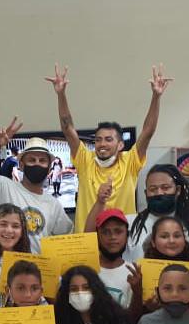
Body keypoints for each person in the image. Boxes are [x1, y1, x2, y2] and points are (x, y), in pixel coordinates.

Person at [46, 63, 172, 230]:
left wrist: (156, 97)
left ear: (120, 144)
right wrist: (61, 95)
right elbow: (68, 129)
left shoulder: (130, 162)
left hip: (122, 241)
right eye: (98, 140)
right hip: (88, 242)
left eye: (108, 139)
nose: (102, 144)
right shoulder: (85, 161)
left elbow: (148, 131)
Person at [86, 164, 189, 267]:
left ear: (178, 191)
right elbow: (90, 242)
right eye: (153, 189)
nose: (159, 193)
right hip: (141, 305)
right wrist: (100, 202)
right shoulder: (130, 222)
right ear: (146, 194)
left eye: (165, 188)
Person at [0, 122, 73, 253]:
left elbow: (68, 241)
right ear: (21, 165)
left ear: (49, 168)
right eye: (31, 160)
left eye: (42, 161)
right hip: (3, 269)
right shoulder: (4, 187)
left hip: (36, 272)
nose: (37, 164)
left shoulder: (54, 205)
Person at [136, 216, 189, 318]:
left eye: (177, 236)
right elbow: (132, 318)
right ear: (153, 242)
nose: (171, 241)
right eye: (164, 236)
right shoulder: (141, 274)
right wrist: (147, 308)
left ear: (184, 240)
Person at [93, 208, 139, 311]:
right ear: (97, 236)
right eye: (105, 232)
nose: (112, 237)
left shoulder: (134, 273)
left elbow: (134, 321)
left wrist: (137, 292)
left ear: (127, 235)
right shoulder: (87, 270)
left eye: (118, 231)